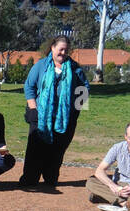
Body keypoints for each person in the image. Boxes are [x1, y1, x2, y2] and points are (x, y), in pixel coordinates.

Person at [19, 36, 89, 188]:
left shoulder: (75, 68)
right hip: (40, 116)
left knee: (57, 150)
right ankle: (30, 179)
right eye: (60, 49)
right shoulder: (41, 66)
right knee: (35, 149)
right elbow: (29, 87)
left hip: (64, 118)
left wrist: (76, 111)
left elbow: (84, 89)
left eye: (66, 50)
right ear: (52, 48)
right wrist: (34, 110)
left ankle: (50, 178)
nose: (63, 53)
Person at [85, 122, 130, 210]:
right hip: (120, 184)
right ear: (125, 136)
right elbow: (99, 171)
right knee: (91, 182)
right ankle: (124, 202)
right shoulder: (117, 148)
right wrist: (114, 187)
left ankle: (104, 197)